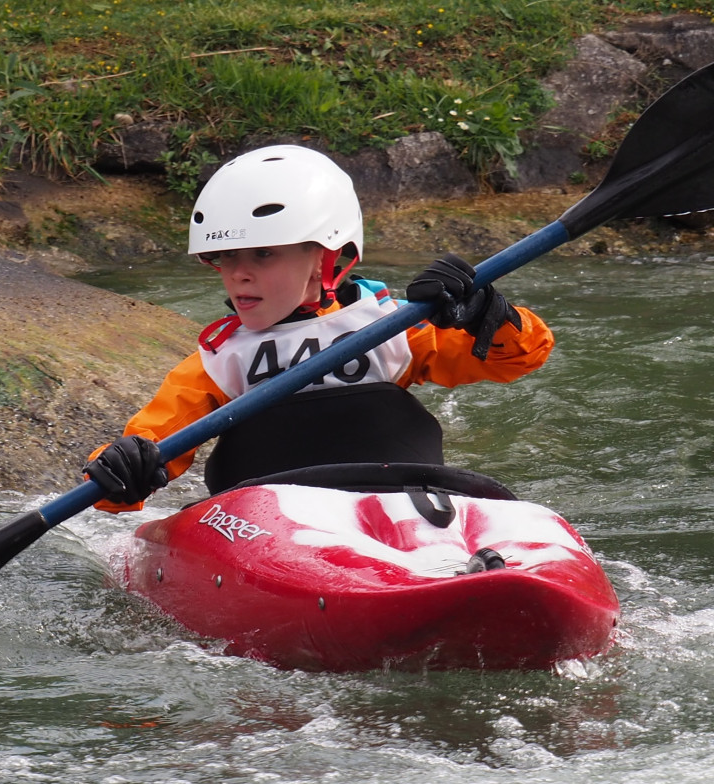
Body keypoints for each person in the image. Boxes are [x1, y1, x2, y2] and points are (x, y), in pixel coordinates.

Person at [84, 144, 556, 511]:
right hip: (272, 520)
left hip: (401, 504)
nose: (238, 274)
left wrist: (482, 310)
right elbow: (143, 456)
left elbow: (516, 358)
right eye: (226, 257)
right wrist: (123, 467)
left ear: (327, 260)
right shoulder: (218, 363)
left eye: (263, 254)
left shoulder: (393, 328)